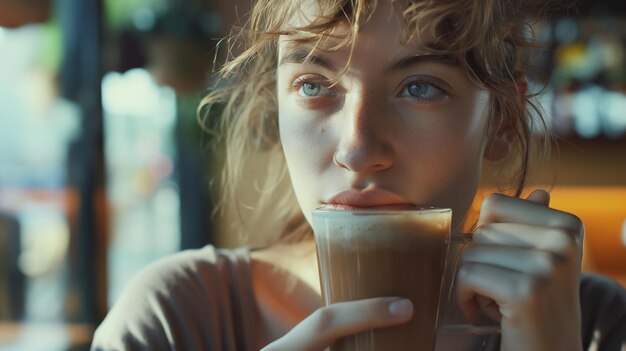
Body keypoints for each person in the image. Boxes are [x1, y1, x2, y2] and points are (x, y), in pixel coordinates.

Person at [91, 0, 626, 350]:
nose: (358, 149)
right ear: (276, 110)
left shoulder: (596, 324)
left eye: (420, 87)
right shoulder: (174, 319)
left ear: (502, 122)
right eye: (312, 84)